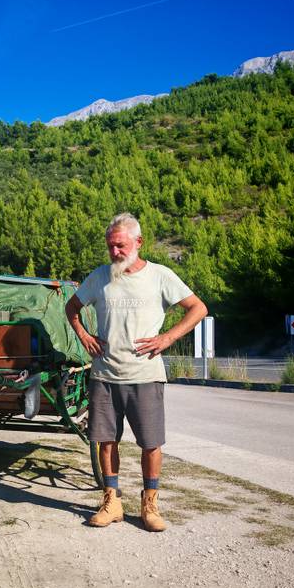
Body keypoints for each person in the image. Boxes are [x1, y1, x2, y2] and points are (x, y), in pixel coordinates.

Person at [65, 213, 207, 531]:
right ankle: (112, 501)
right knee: (106, 441)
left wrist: (168, 337)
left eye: (120, 246)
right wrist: (85, 336)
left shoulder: (160, 276)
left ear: (138, 242)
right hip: (105, 375)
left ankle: (150, 505)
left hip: (145, 376)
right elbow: (71, 307)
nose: (114, 252)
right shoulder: (99, 277)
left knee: (151, 443)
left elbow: (198, 308)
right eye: (110, 247)